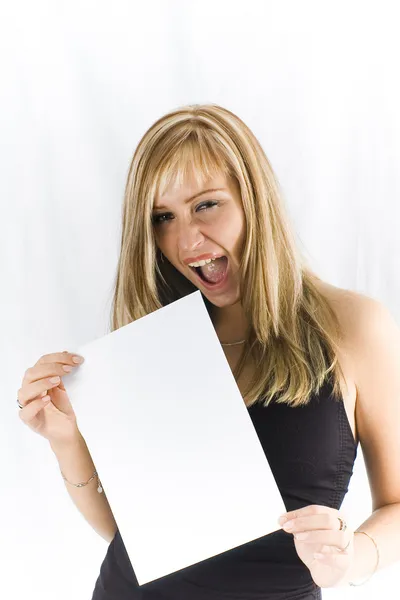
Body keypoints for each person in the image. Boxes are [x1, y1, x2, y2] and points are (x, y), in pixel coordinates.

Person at [17, 103, 400, 599]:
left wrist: (352, 557)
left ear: (253, 200)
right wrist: (66, 440)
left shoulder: (352, 327)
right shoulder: (155, 338)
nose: (187, 240)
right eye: (163, 217)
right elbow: (130, 535)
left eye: (206, 205)